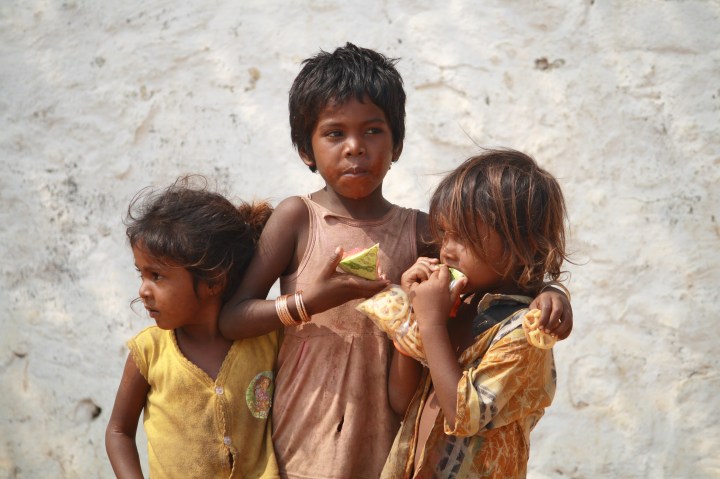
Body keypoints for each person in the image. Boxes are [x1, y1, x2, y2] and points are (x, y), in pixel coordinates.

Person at [219, 44, 572, 479]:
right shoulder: (297, 219)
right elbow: (233, 318)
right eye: (334, 133)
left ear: (398, 142)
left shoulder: (424, 231)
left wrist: (550, 294)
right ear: (305, 150)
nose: (354, 148)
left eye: (372, 131)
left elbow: (493, 272)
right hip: (303, 416)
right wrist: (309, 302)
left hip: (390, 431)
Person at [381, 149, 570, 478]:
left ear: (522, 247)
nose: (447, 250)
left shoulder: (525, 334)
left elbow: (462, 415)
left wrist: (431, 323)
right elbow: (401, 399)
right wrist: (414, 316)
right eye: (445, 234)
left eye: (465, 237)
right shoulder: (456, 307)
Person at [105, 177, 280, 479]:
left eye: (157, 276)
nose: (143, 290)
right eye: (142, 274)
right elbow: (118, 431)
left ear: (214, 280)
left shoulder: (268, 341)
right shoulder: (148, 352)